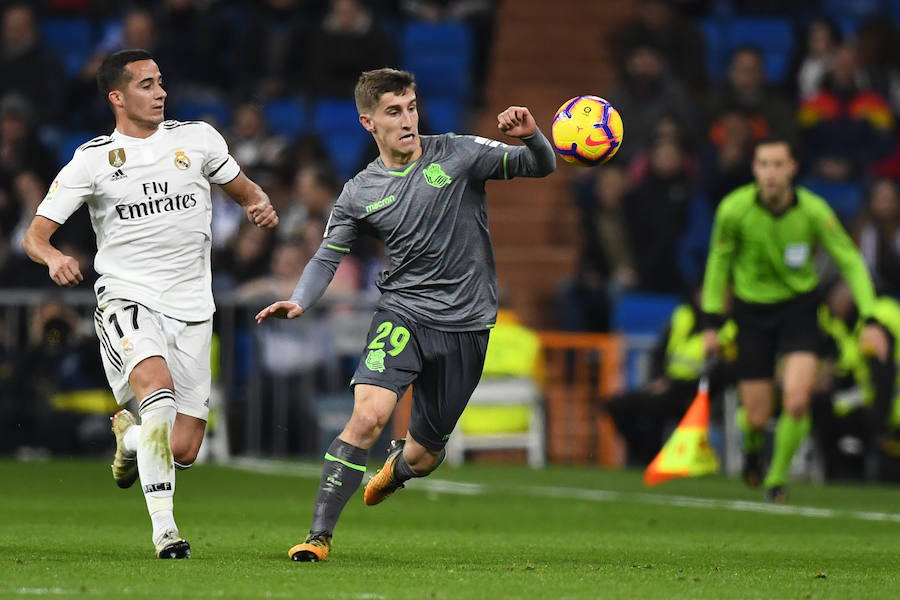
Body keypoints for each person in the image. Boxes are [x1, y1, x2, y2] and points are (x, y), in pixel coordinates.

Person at [255, 67, 555, 561]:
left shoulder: (458, 153)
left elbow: (540, 165)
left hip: (466, 325)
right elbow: (327, 256)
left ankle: (396, 470)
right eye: (394, 111)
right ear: (368, 122)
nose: (407, 119)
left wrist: (532, 136)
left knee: (425, 454)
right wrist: (301, 299)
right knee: (368, 416)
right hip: (403, 314)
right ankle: (318, 536)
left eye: (411, 108)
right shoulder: (359, 192)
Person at [22, 49, 278, 558]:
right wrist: (53, 257)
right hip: (128, 296)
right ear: (117, 97)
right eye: (146, 85)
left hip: (192, 307)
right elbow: (35, 235)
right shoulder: (92, 160)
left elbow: (245, 190)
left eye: (160, 82)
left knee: (182, 447)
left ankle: (132, 438)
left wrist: (257, 204)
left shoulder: (198, 139)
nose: (160, 93)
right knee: (156, 393)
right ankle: (166, 531)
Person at [700, 136, 887, 502]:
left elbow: (850, 259)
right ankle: (753, 450)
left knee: (798, 400)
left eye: (778, 165)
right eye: (763, 165)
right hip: (751, 313)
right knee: (756, 416)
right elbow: (718, 262)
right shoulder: (733, 210)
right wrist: (710, 322)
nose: (770, 173)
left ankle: (776, 479)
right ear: (754, 169)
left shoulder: (814, 211)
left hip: (798, 310)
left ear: (792, 169)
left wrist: (870, 317)